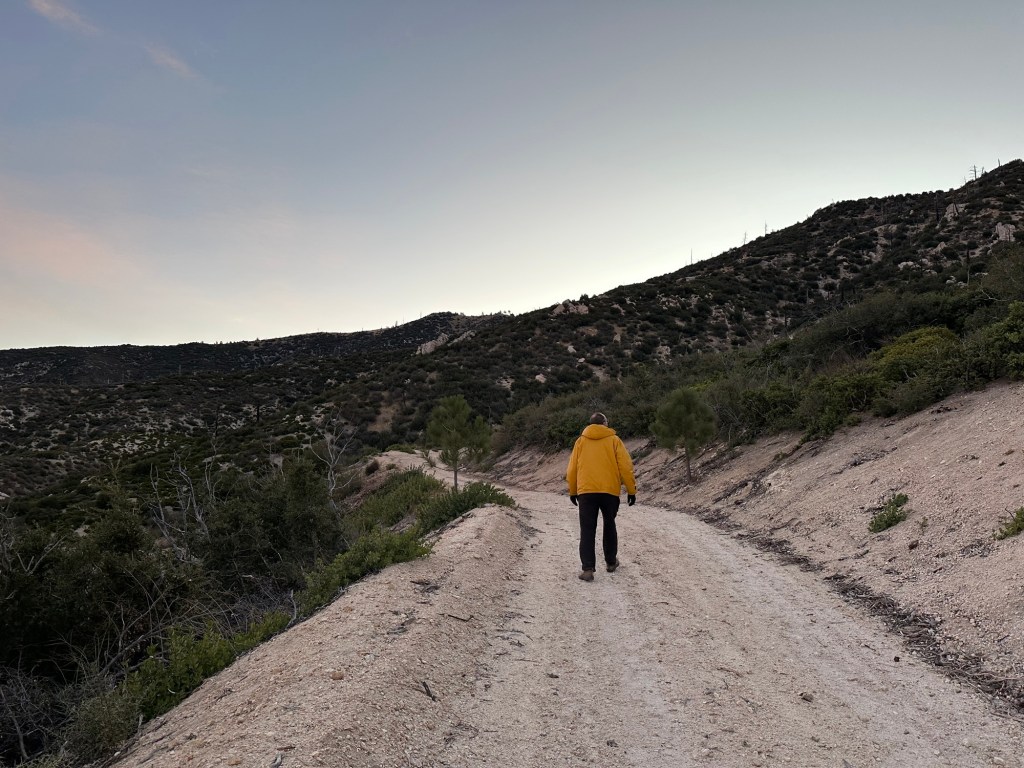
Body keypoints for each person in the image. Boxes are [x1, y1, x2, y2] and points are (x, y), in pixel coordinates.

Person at [565, 412, 637, 582]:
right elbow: (626, 467)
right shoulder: (614, 440)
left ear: (590, 424)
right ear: (605, 423)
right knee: (609, 524)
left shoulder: (580, 441)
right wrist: (631, 490)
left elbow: (572, 469)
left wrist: (573, 490)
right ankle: (611, 562)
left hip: (586, 492)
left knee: (587, 529)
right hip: (609, 491)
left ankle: (588, 569)